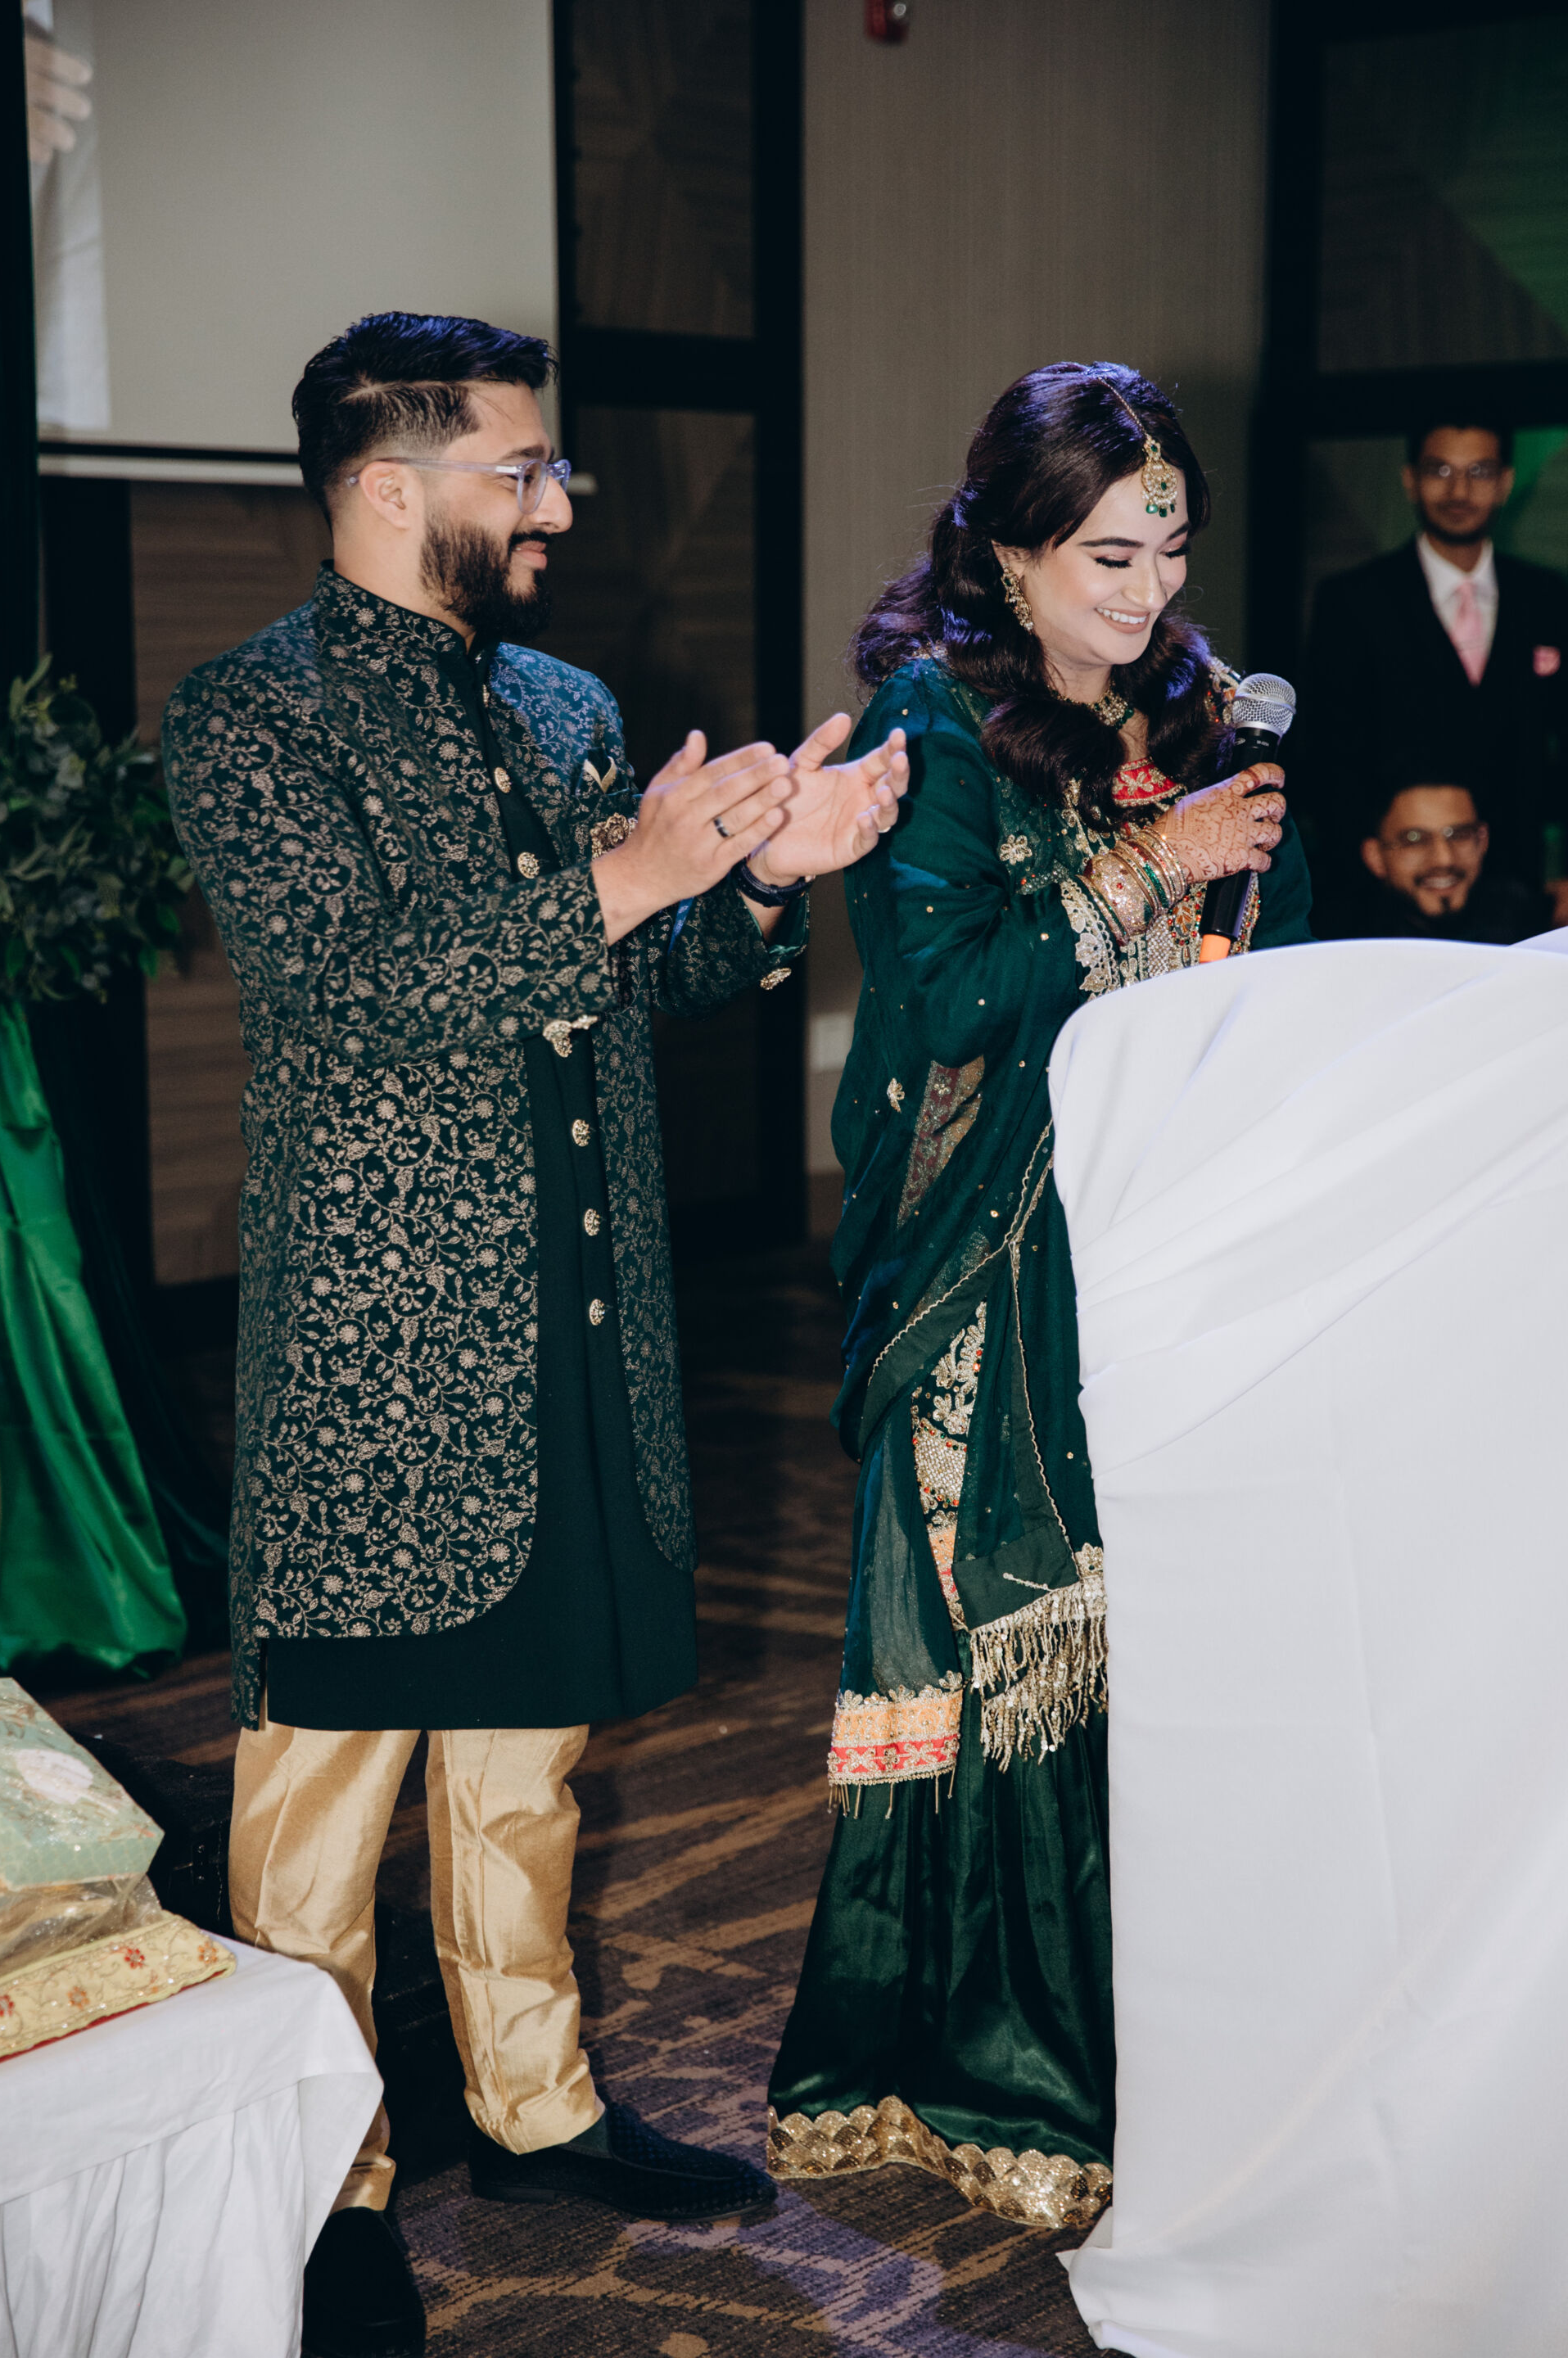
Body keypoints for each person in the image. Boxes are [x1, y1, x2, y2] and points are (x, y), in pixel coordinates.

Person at [159, 310, 908, 2358]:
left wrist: (754, 886)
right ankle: (318, 2173)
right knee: (320, 1806)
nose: (558, 498)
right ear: (386, 488)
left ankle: (537, 2100)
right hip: (381, 1344)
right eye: (523, 466)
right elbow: (343, 985)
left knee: (526, 1756)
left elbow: (643, 970)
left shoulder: (564, 699)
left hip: (575, 1309)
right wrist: (630, 873)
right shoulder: (250, 715)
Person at [766, 362, 1312, 2229]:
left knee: (1178, 1652)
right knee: (1024, 1652)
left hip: (1171, 1250)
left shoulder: (1195, 710)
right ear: (1009, 552)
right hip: (999, 1276)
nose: (1150, 591)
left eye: (1170, 548)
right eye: (1108, 555)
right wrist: (1151, 863)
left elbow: (1264, 951)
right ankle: (1003, 2073)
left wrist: (1235, 900)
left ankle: (1175, 2038)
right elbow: (941, 997)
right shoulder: (931, 723)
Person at [1296, 419, 1568, 917]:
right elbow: (1330, 757)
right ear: (1410, 479)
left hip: (1519, 885)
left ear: (1505, 481)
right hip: (1383, 894)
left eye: (1479, 471)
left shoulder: (1548, 598)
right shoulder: (1352, 601)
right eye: (1440, 470)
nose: (1459, 490)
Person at [1315, 775, 1552, 945]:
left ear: (1482, 841)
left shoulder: (1535, 927)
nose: (1444, 859)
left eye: (1459, 835)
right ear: (1375, 856)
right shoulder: (1341, 946)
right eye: (1415, 839)